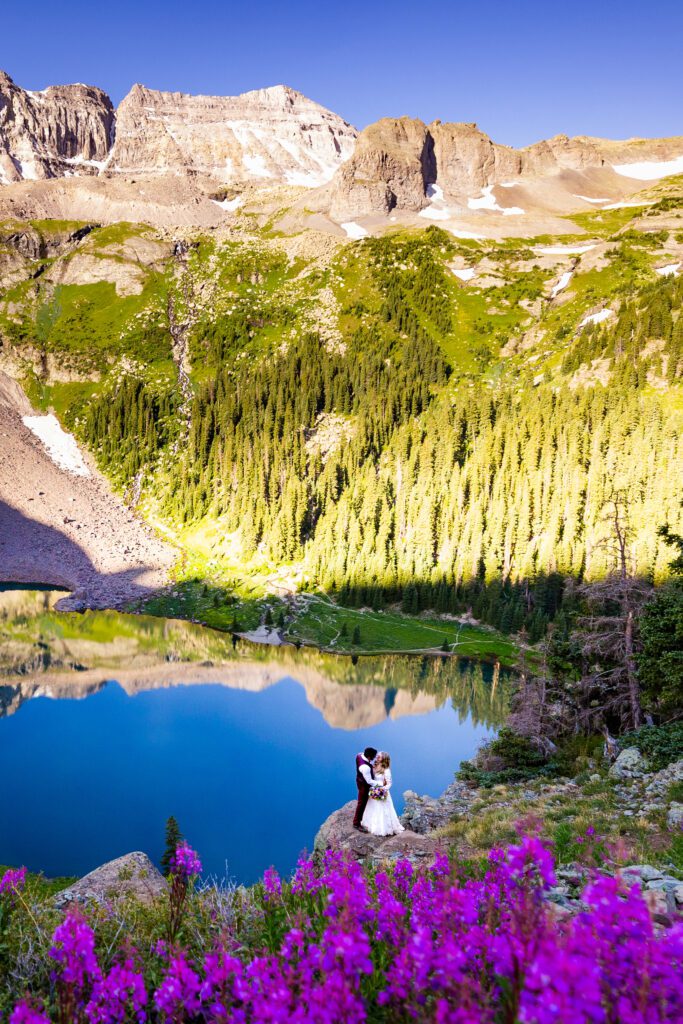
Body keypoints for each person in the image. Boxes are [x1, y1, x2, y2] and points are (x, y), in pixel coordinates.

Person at [361, 751, 405, 837]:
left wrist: (382, 789)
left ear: (384, 759)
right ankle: (371, 825)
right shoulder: (374, 766)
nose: (377, 757)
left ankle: (382, 828)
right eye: (377, 756)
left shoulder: (386, 769)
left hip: (381, 791)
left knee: (381, 809)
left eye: (379, 756)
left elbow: (389, 783)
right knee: (372, 807)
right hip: (374, 790)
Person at [353, 746, 378, 832]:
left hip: (359, 780)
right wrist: (380, 784)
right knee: (362, 803)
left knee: (363, 802)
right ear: (369, 757)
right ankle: (356, 823)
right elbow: (369, 781)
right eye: (373, 757)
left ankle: (362, 818)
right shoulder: (365, 767)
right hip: (364, 785)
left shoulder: (359, 755)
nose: (373, 759)